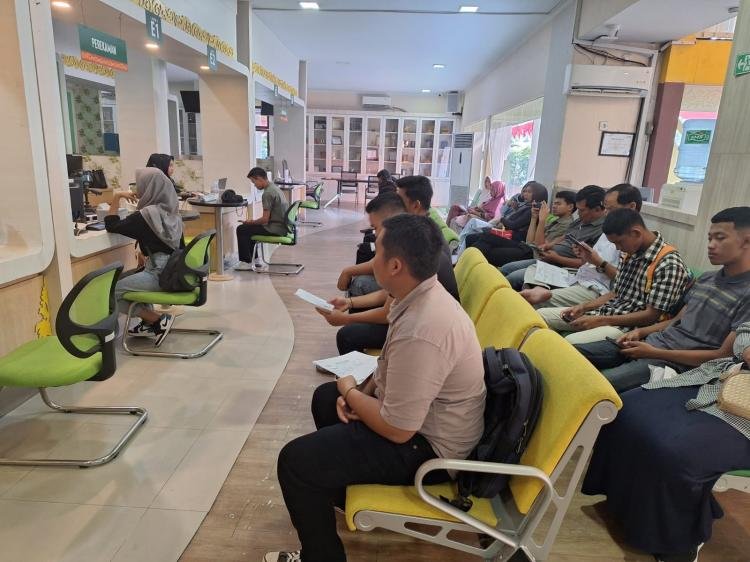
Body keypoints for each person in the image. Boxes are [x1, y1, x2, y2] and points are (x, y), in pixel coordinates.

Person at [266, 214, 486, 562]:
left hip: (432, 451)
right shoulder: (417, 294)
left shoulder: (424, 328)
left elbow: (398, 429)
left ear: (395, 266)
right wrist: (360, 393)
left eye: (377, 252)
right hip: (425, 425)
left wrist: (351, 392)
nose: (371, 258)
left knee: (295, 462)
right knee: (326, 398)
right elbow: (387, 366)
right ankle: (340, 489)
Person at [581, 321, 750, 562]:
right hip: (724, 380)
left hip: (743, 417)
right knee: (627, 409)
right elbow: (745, 330)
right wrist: (747, 349)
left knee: (678, 452)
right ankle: (631, 508)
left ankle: (678, 542)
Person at [575, 206, 750, 392]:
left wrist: (656, 353)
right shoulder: (706, 279)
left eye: (720, 238)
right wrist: (640, 332)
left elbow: (722, 356)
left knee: (593, 386)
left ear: (746, 241)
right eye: (710, 238)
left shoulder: (746, 293)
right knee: (570, 354)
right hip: (653, 344)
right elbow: (676, 321)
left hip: (675, 363)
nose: (711, 245)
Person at [319, 191, 459, 355]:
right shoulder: (413, 242)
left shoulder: (411, 252)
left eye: (376, 228)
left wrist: (347, 319)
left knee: (348, 334)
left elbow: (388, 312)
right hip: (417, 322)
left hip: (421, 329)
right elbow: (388, 295)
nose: (374, 233)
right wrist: (349, 303)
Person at [538, 208, 690, 345]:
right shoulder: (630, 253)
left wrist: (601, 320)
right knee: (539, 317)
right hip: (609, 312)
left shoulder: (669, 264)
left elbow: (651, 316)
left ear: (636, 233)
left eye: (619, 242)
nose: (618, 248)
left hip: (630, 327)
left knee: (570, 343)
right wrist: (584, 307)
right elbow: (616, 292)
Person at [337, 176, 459, 301]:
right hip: (425, 295)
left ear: (416, 206)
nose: (395, 203)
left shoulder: (418, 233)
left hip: (430, 301)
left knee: (360, 283)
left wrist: (349, 272)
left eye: (400, 200)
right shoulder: (419, 224)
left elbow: (387, 271)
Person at [521, 183, 642, 308]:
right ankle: (537, 290)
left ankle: (535, 295)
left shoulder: (630, 239)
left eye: (610, 209)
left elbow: (623, 282)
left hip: (595, 286)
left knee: (535, 301)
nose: (606, 213)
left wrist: (598, 262)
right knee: (533, 269)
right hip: (579, 275)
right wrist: (585, 256)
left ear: (631, 207)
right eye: (605, 208)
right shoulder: (607, 229)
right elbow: (588, 262)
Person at [105, 167, 183, 346]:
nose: (137, 189)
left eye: (140, 185)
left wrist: (117, 197)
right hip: (173, 270)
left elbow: (111, 225)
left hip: (158, 273)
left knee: (112, 292)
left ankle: (157, 320)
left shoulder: (145, 216)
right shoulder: (172, 212)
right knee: (130, 280)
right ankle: (149, 324)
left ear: (149, 188)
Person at [498, 185, 607, 290]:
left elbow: (587, 264)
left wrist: (557, 258)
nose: (578, 213)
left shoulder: (602, 232)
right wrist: (549, 245)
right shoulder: (581, 220)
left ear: (597, 209)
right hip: (547, 258)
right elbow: (566, 236)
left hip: (561, 268)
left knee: (512, 278)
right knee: (506, 269)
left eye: (582, 210)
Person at [463, 189, 576, 267]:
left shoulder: (565, 225)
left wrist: (541, 221)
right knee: (478, 238)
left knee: (486, 238)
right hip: (523, 244)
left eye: (558, 204)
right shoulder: (524, 206)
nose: (554, 206)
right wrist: (534, 217)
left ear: (570, 207)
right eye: (554, 203)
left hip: (525, 247)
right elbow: (529, 241)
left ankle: (465, 265)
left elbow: (539, 246)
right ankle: (466, 265)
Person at [462, 180, 548, 251]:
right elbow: (513, 219)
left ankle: (463, 257)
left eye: (529, 192)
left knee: (483, 234)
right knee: (474, 238)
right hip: (508, 232)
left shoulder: (531, 211)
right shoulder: (527, 206)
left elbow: (513, 225)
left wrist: (501, 219)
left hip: (513, 236)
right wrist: (513, 209)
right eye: (525, 191)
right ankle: (464, 257)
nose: (524, 194)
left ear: (537, 195)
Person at [235, 167, 288, 272]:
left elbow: (265, 220)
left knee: (242, 229)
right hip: (283, 227)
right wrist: (252, 223)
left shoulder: (267, 193)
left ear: (259, 178)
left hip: (275, 229)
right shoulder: (275, 188)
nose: (254, 185)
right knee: (249, 228)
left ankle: (246, 262)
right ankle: (255, 260)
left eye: (254, 182)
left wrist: (251, 222)